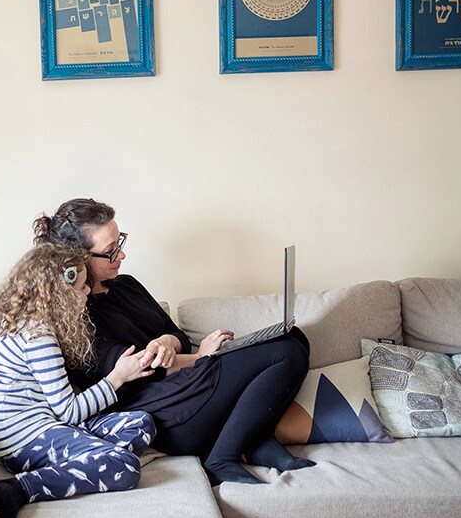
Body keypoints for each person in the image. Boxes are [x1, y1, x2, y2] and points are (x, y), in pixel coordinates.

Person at [33, 198, 315, 486]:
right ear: (79, 258)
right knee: (285, 352)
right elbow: (134, 372)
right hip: (162, 408)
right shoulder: (77, 315)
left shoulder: (127, 285)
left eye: (120, 243)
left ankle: (256, 440)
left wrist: (168, 341)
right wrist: (200, 358)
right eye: (110, 251)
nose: (122, 255)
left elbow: (177, 334)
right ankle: (221, 458)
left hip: (187, 383)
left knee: (294, 337)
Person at [0, 244, 157, 518]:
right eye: (83, 286)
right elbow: (69, 412)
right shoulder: (38, 337)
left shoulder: (18, 322)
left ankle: (87, 456)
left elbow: (61, 413)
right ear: (60, 293)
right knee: (126, 466)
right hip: (25, 441)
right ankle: (20, 488)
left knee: (141, 424)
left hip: (44, 426)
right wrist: (118, 376)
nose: (88, 292)